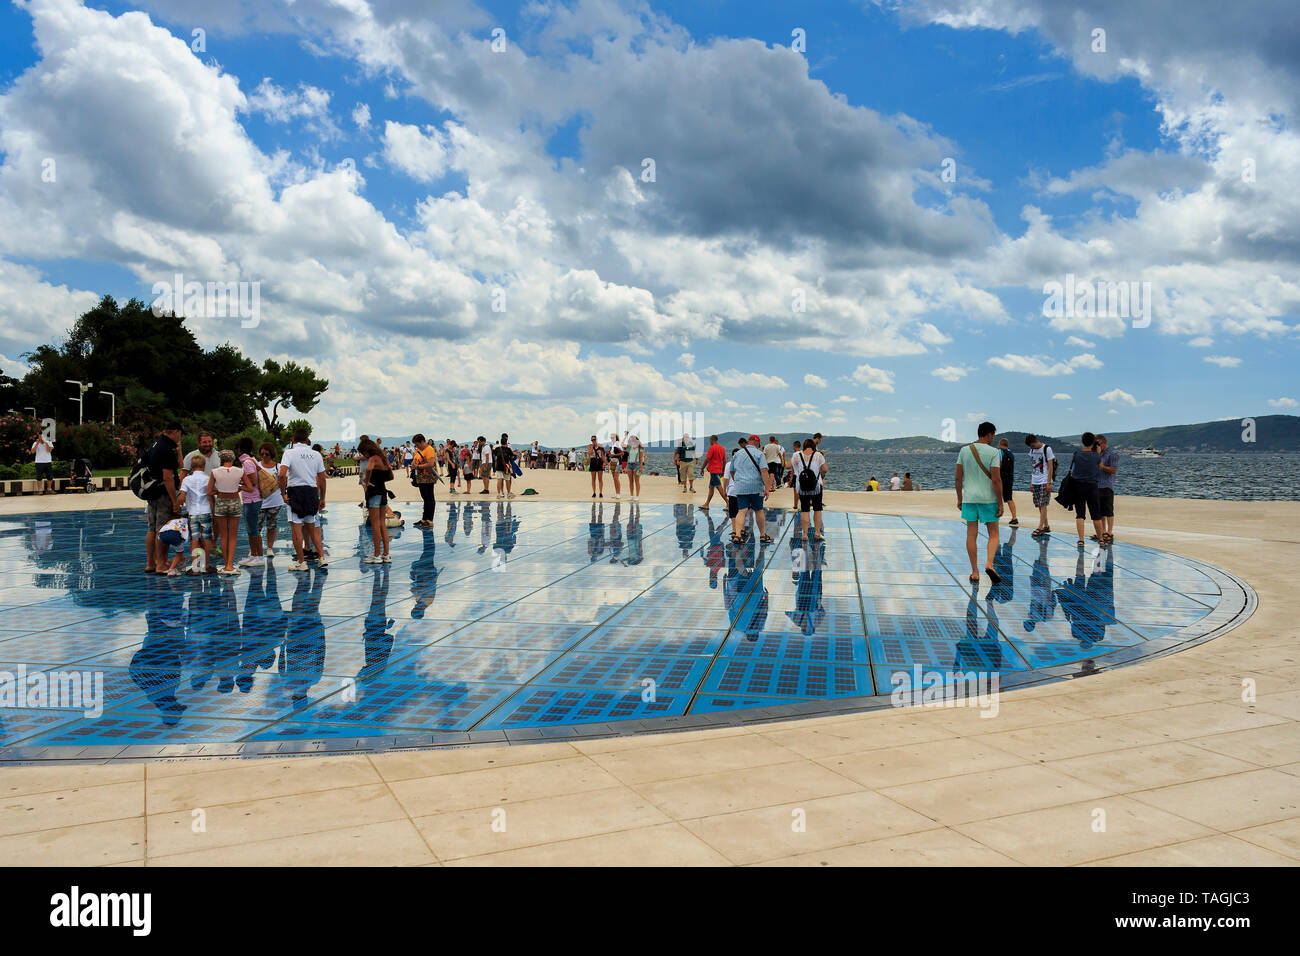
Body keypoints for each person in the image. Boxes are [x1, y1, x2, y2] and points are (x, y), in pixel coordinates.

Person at [955, 421, 1004, 585]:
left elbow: (958, 478)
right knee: (994, 534)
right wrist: (1001, 502)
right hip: (988, 499)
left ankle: (975, 572)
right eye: (993, 435)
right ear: (989, 434)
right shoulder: (994, 452)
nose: (993, 438)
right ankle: (989, 564)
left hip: (970, 498)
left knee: (971, 535)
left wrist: (960, 498)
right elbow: (996, 480)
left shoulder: (964, 450)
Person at [279, 427, 328, 571]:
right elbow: (322, 478)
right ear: (307, 440)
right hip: (312, 491)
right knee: (312, 527)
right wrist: (322, 497)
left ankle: (301, 561)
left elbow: (282, 475)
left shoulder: (289, 453)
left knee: (296, 528)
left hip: (296, 491)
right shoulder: (316, 454)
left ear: (293, 440)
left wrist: (283, 493)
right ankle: (321, 557)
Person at [143, 424, 183, 574]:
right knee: (163, 529)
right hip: (163, 494)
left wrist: (178, 450)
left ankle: (151, 563)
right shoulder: (165, 449)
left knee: (152, 528)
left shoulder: (154, 445)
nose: (180, 438)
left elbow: (179, 465)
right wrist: (175, 501)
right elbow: (168, 478)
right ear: (175, 432)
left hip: (152, 492)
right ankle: (161, 564)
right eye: (180, 434)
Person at [729, 435, 774, 545]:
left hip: (741, 487)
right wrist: (767, 488)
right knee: (758, 510)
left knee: (741, 510)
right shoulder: (759, 454)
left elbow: (731, 471)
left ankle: (738, 535)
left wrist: (738, 482)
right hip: (756, 487)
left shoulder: (737, 454)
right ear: (757, 443)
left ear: (749, 442)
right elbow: (764, 471)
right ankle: (763, 535)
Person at [178, 452, 216, 575]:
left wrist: (178, 505)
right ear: (204, 466)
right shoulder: (207, 478)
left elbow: (182, 496)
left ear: (191, 466)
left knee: (194, 539)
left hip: (193, 512)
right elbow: (210, 496)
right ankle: (206, 565)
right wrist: (213, 510)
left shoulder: (187, 480)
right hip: (206, 511)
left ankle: (195, 567)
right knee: (206, 538)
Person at [1068, 432, 1106, 548]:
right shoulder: (1096, 456)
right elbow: (1100, 467)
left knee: (1080, 514)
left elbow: (1074, 471)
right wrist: (1098, 452)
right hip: (1092, 486)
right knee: (1096, 515)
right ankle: (1101, 539)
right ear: (1093, 442)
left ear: (1082, 441)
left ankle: (1081, 540)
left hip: (1078, 486)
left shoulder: (1076, 454)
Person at [209, 450, 244, 575]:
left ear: (221, 460)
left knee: (223, 536)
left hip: (221, 503)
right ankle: (230, 565)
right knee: (232, 536)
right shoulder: (240, 471)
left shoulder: (215, 472)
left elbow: (209, 492)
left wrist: (219, 492)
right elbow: (250, 487)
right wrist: (239, 488)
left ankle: (225, 566)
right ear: (232, 459)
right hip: (234, 502)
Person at [359, 437, 392, 563]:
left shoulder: (373, 459)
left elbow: (368, 469)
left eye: (363, 453)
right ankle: (386, 554)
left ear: (367, 450)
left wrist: (366, 483)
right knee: (382, 524)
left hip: (374, 493)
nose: (363, 456)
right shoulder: (383, 458)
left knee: (375, 525)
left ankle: (377, 555)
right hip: (383, 492)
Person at [235, 438, 265, 568]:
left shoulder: (247, 463)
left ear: (239, 449)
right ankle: (253, 555)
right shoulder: (251, 460)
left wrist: (240, 485)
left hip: (252, 499)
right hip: (252, 499)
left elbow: (253, 482)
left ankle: (259, 556)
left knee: (253, 529)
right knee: (251, 529)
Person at [791, 438, 828, 539]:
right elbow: (825, 469)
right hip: (816, 486)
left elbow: (794, 470)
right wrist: (818, 471)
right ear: (813, 446)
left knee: (805, 510)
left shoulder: (796, 455)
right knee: (817, 509)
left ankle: (805, 534)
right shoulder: (818, 455)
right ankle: (817, 532)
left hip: (802, 487)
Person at [1025, 434, 1056, 537]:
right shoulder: (1032, 450)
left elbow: (1050, 466)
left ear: (1035, 441)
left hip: (1044, 480)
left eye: (1032, 446)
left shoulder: (1047, 449)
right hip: (1035, 480)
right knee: (1039, 504)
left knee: (1043, 504)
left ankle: (1040, 527)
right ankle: (1046, 525)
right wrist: (1031, 482)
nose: (1032, 448)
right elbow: (1033, 465)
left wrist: (1049, 482)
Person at [256, 441, 283, 558]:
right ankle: (256, 548)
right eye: (262, 454)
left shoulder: (279, 466)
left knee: (272, 526)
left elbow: (284, 481)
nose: (264, 456)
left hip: (275, 501)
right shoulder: (256, 466)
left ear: (271, 454)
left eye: (266, 454)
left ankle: (270, 548)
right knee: (257, 527)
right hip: (259, 501)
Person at [411, 433, 439, 526]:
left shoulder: (429, 449)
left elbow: (431, 464)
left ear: (422, 441)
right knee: (424, 497)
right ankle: (424, 519)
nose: (416, 446)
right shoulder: (418, 450)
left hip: (429, 476)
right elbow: (415, 460)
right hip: (421, 477)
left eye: (417, 444)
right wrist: (413, 465)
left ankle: (430, 519)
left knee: (429, 497)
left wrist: (418, 466)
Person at [1097, 435, 1118, 545]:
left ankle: (1109, 532)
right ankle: (1102, 531)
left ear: (1104, 443)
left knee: (1108, 509)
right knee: (1100, 512)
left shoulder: (1112, 454)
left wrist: (1102, 467)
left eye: (1099, 444)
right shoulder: (1097, 454)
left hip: (1107, 485)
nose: (1097, 446)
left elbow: (1114, 470)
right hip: (1097, 485)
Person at [700, 434, 728, 511]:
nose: (709, 441)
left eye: (710, 440)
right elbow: (724, 460)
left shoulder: (712, 448)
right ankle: (707, 504)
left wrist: (702, 468)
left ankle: (728, 503)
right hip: (718, 470)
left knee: (719, 488)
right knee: (711, 487)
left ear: (712, 440)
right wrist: (723, 470)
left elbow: (707, 459)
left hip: (714, 471)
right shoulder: (722, 448)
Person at [998, 438, 1019, 526]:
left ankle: (993, 517)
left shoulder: (999, 452)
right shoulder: (1010, 453)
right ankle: (1014, 518)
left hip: (1001, 478)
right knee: (1009, 498)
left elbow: (998, 464)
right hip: (1009, 478)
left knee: (996, 497)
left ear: (1000, 444)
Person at [493, 433, 516, 499]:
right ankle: (508, 493)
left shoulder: (497, 449)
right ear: (506, 443)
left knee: (499, 480)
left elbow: (494, 454)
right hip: (506, 467)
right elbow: (512, 456)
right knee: (507, 480)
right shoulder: (508, 449)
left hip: (499, 466)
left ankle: (499, 493)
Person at [625, 434, 643, 501]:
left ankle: (637, 496)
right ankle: (631, 495)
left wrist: (641, 466)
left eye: (633, 440)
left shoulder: (640, 448)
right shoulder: (629, 448)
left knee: (637, 481)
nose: (631, 441)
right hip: (629, 465)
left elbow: (641, 458)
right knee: (630, 481)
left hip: (637, 465)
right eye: (630, 440)